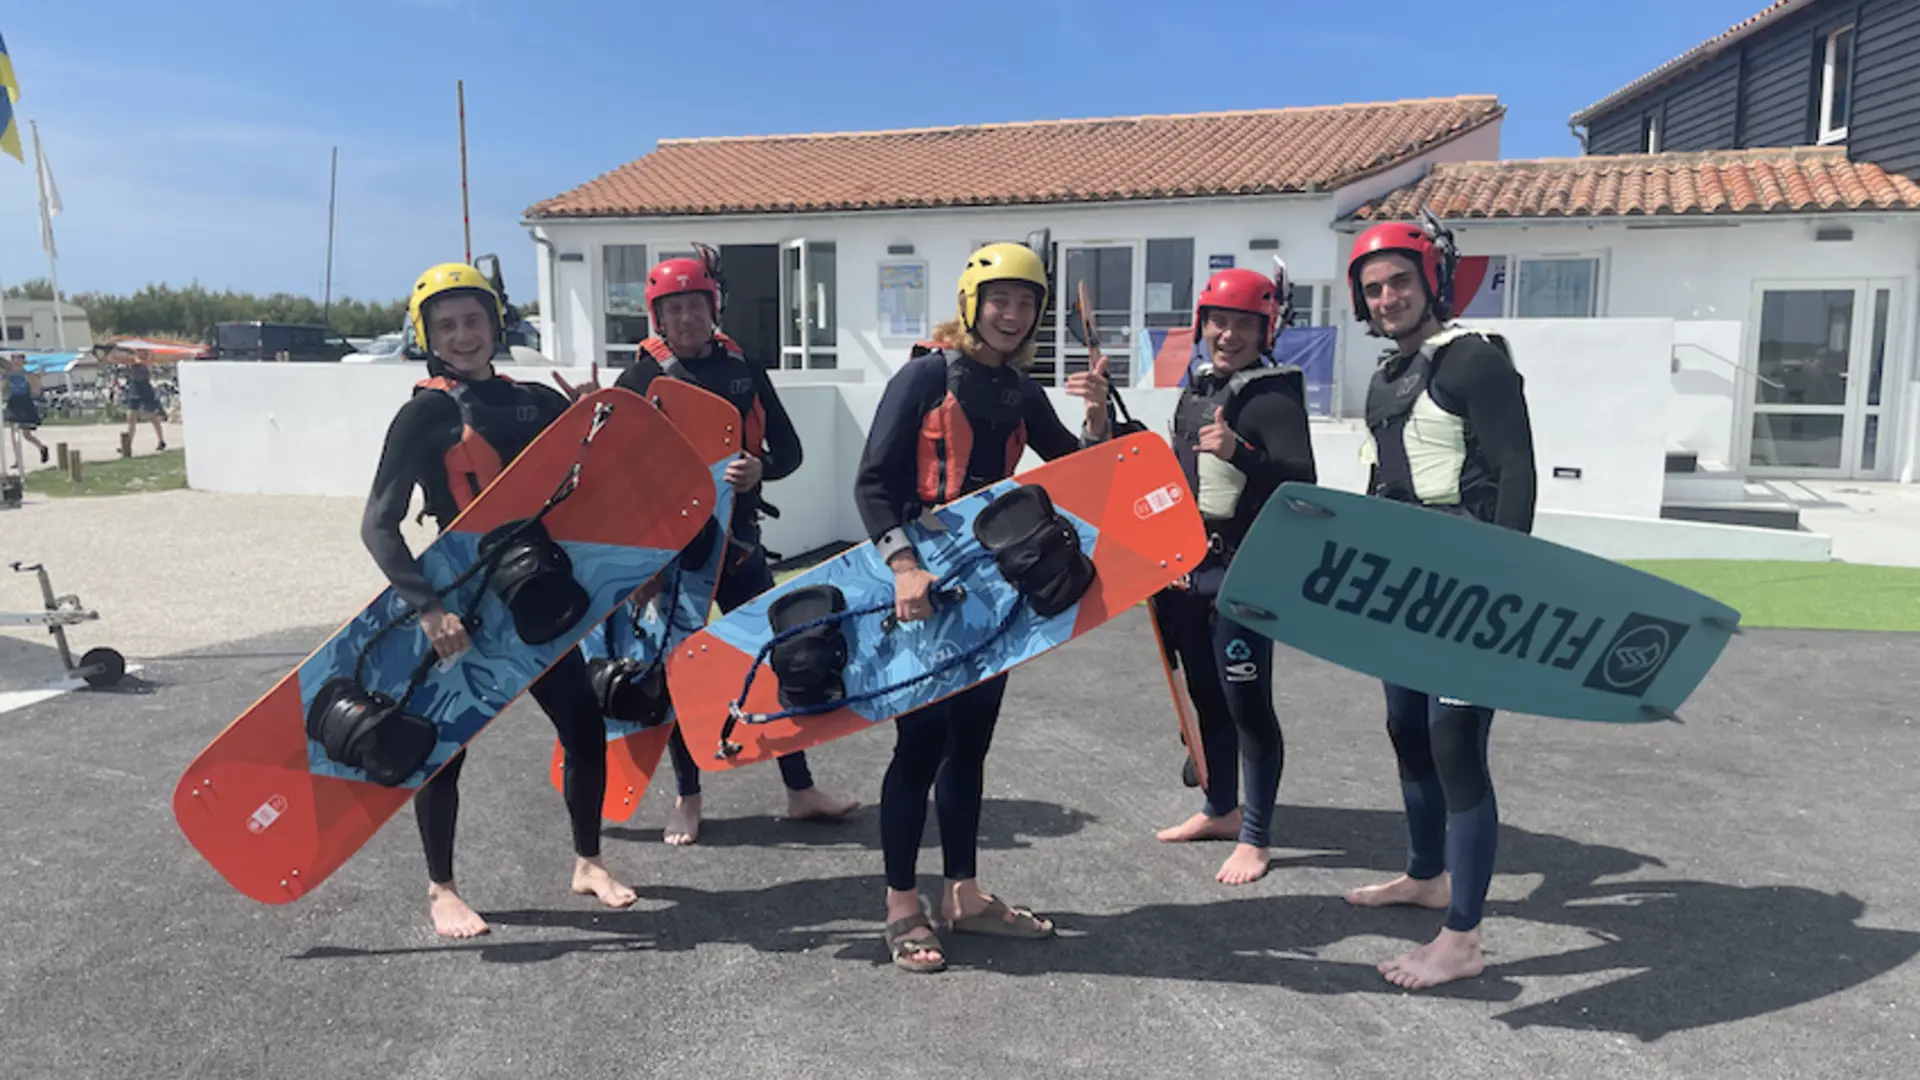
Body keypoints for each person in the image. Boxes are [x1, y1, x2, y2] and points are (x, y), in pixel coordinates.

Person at [852, 239, 1111, 973]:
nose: (1012, 314)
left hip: (992, 590)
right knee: (920, 746)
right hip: (921, 590)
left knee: (971, 744)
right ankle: (902, 905)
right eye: (1000, 300)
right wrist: (904, 567)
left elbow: (1081, 471)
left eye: (1026, 303)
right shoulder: (926, 375)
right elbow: (873, 484)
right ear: (972, 304)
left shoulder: (1022, 391)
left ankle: (962, 894)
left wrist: (1097, 421)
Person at [360, 262, 639, 938]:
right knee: (443, 749)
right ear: (427, 336)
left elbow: (591, 482)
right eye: (447, 326)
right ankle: (442, 889)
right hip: (461, 605)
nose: (463, 336)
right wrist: (429, 609)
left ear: (496, 324)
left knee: (583, 724)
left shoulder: (538, 401)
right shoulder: (424, 413)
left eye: (474, 320)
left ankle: (589, 862)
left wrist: (597, 417)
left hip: (533, 595)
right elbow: (378, 525)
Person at [1342, 217, 1538, 989]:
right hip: (1403, 583)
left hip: (1467, 584)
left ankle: (1462, 938)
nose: (1387, 298)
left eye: (1400, 281)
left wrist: (1503, 581)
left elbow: (1516, 473)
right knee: (1407, 730)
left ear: (1432, 280)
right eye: (1373, 289)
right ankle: (1427, 875)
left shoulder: (1475, 361)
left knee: (1456, 745)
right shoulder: (1390, 376)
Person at [610, 249, 860, 845]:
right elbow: (616, 478)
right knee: (677, 677)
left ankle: (800, 789)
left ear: (713, 307)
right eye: (673, 309)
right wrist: (641, 564)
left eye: (695, 306)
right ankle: (688, 797)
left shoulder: (743, 366)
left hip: (741, 548)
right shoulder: (640, 379)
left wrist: (758, 468)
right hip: (676, 560)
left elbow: (789, 453)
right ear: (657, 317)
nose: (686, 318)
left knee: (781, 659)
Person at [1149, 267, 1318, 885]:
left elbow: (1302, 482)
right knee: (1206, 697)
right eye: (1218, 322)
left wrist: (1239, 453)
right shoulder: (1197, 389)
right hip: (1191, 569)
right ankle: (1220, 807)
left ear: (1266, 330)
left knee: (1248, 704)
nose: (1228, 335)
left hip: (1245, 573)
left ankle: (1256, 836)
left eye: (1244, 324)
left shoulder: (1273, 396)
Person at [3, 354, 49, 464]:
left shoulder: (28, 375)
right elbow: (5, 389)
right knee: (13, 431)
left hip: (25, 404)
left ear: (23, 363)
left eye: (19, 361)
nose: (16, 363)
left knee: (26, 434)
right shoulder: (8, 375)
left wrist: (38, 380)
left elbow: (36, 391)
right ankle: (17, 459)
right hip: (13, 404)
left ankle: (42, 447)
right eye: (14, 360)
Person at [119, 353, 168, 451]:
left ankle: (161, 440)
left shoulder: (147, 354)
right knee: (131, 417)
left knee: (151, 415)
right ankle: (127, 445)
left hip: (145, 386)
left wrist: (141, 360)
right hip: (134, 386)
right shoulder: (131, 355)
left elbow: (149, 362)